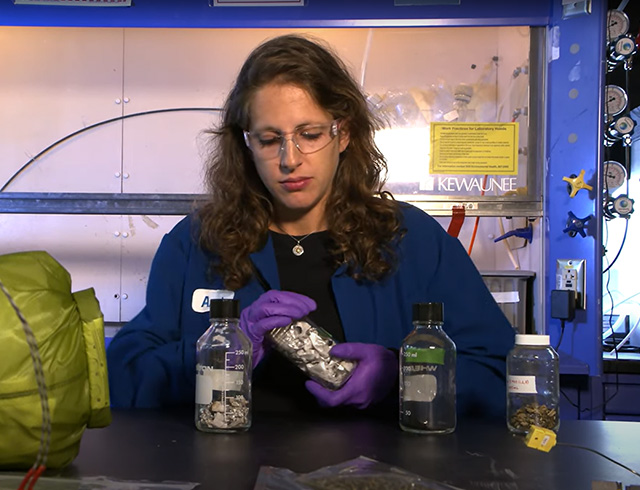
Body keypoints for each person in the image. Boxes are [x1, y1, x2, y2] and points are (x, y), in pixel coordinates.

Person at [107, 34, 515, 417]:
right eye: (269, 140)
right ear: (246, 146)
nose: (290, 159)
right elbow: (124, 378)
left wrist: (400, 375)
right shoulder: (197, 242)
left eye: (310, 133)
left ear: (344, 134)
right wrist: (227, 348)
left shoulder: (411, 240)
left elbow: (500, 371)